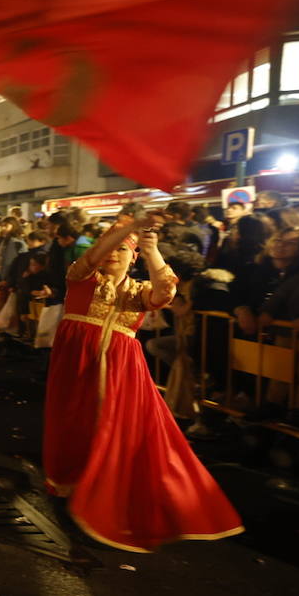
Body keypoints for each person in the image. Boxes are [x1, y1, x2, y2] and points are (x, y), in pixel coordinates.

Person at [42, 212, 244, 552]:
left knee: (115, 431)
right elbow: (91, 255)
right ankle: (71, 492)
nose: (111, 253)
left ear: (133, 257)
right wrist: (129, 228)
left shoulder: (140, 291)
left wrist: (151, 249)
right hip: (76, 365)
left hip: (123, 370)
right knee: (72, 426)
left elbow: (165, 291)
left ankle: (105, 495)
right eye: (109, 247)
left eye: (122, 250)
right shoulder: (82, 279)